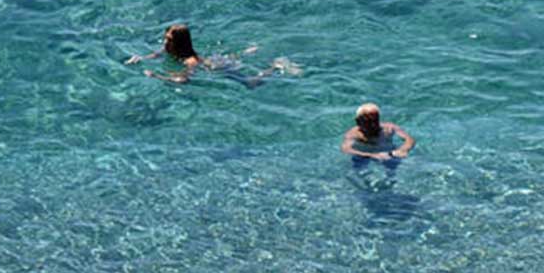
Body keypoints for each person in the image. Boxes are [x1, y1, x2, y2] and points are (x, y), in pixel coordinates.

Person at [125, 23, 299, 88]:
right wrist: (141, 58)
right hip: (212, 60)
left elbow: (183, 80)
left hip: (217, 67)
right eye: (165, 37)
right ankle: (245, 53)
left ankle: (276, 65)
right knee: (232, 57)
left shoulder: (190, 60)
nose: (165, 41)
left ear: (179, 42)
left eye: (168, 39)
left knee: (250, 83)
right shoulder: (170, 49)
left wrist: (156, 76)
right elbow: (157, 54)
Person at [340, 103, 416, 165]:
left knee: (392, 167)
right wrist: (372, 155)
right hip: (363, 154)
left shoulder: (389, 128)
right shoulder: (353, 134)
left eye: (375, 120)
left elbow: (409, 139)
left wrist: (403, 149)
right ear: (358, 121)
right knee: (359, 168)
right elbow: (346, 149)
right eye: (368, 121)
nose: (372, 125)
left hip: (388, 153)